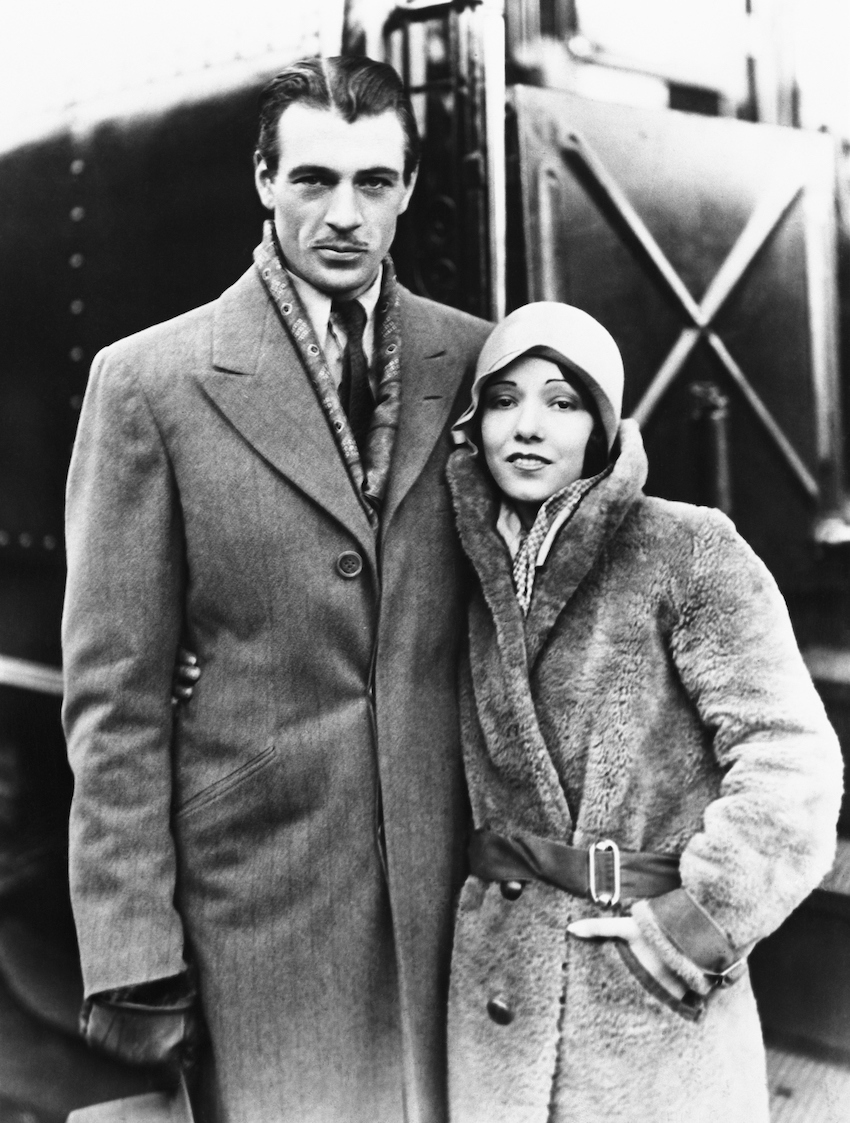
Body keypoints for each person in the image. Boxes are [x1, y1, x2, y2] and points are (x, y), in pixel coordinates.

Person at [61, 55, 491, 1122]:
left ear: (408, 186)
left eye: (373, 182)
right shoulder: (150, 382)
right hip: (256, 919)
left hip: (453, 919)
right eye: (312, 179)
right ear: (264, 181)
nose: (344, 214)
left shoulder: (480, 365)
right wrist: (134, 954)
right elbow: (114, 702)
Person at [441, 302, 842, 1123]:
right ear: (473, 425)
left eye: (563, 401)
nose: (528, 425)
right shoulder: (457, 565)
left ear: (603, 423)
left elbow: (792, 760)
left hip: (644, 992)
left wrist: (693, 926)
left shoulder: (688, 549)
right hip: (496, 985)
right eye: (504, 399)